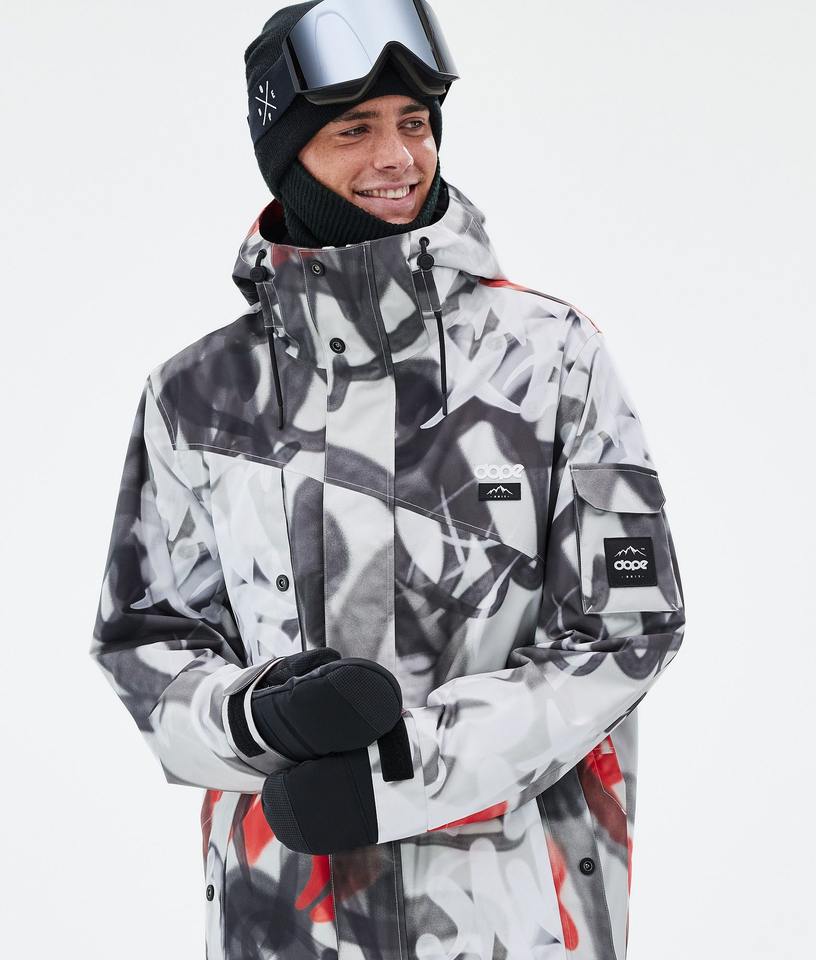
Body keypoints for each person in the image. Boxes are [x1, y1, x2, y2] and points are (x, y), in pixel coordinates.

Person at [89, 2, 687, 958]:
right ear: (288, 155)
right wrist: (252, 716)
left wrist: (400, 774)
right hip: (285, 919)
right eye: (354, 130)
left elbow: (625, 632)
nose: (398, 157)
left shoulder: (548, 360)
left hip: (509, 919)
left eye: (415, 123)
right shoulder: (198, 395)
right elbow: (143, 640)